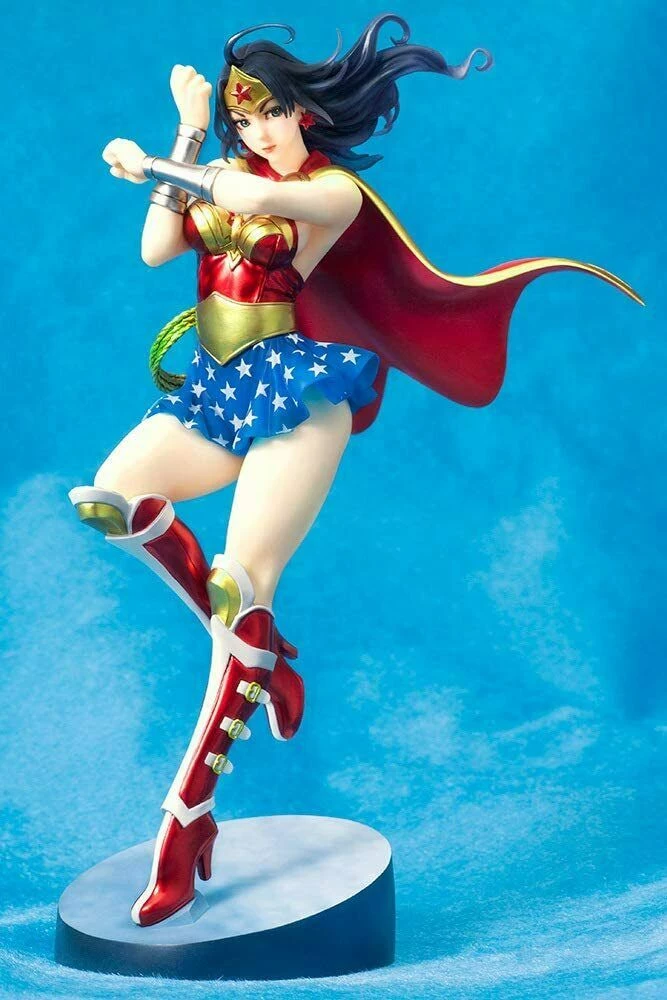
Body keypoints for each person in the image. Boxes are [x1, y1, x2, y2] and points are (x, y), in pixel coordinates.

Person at [68, 14, 642, 928]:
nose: (255, 130)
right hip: (216, 391)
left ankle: (186, 819)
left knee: (238, 585)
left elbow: (230, 191)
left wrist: (161, 162)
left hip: (298, 396)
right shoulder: (232, 167)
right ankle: (261, 657)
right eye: (240, 116)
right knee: (108, 499)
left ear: (303, 110)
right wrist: (184, 133)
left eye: (267, 112)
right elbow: (157, 248)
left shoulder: (332, 193)